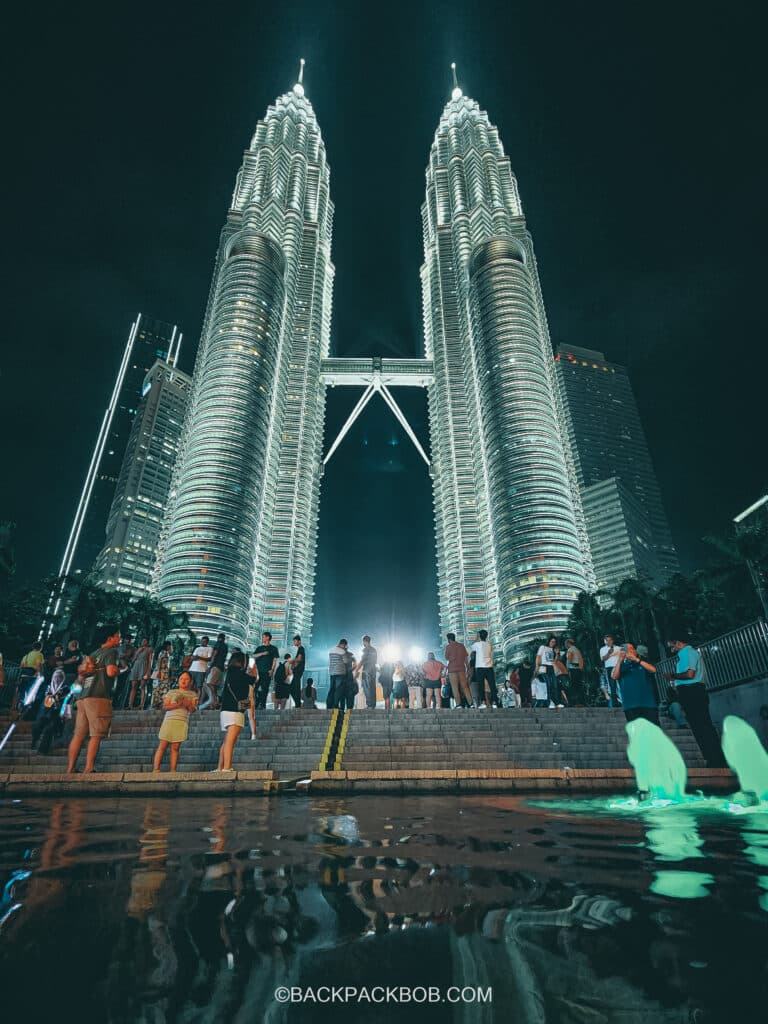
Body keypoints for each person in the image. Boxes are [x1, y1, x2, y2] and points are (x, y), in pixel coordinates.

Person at [664, 636, 727, 767]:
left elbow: (690, 674)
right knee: (702, 725)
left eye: (672, 646)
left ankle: (715, 759)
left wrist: (673, 676)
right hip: (694, 691)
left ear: (679, 642)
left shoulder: (686, 652)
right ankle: (714, 758)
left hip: (692, 691)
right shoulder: (690, 653)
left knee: (701, 726)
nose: (672, 649)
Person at [67, 626, 121, 773]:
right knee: (96, 734)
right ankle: (89, 767)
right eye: (117, 636)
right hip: (98, 696)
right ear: (110, 638)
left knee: (78, 735)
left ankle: (71, 768)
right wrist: (121, 669)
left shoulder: (93, 654)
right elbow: (111, 672)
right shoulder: (111, 652)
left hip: (83, 697)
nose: (119, 639)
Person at [215, 651, 253, 771]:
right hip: (235, 711)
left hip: (225, 710)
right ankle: (227, 768)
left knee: (226, 740)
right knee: (230, 741)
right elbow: (253, 680)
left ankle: (220, 767)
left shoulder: (229, 673)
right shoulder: (240, 674)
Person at [153, 671, 197, 771]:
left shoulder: (193, 694)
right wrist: (177, 705)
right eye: (181, 679)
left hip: (182, 722)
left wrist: (187, 704)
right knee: (162, 745)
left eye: (186, 679)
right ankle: (156, 769)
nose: (183, 681)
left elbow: (193, 709)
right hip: (169, 721)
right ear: (178, 680)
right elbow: (165, 707)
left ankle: (173, 770)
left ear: (190, 682)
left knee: (176, 747)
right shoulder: (171, 692)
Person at [612, 644, 659, 724]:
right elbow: (615, 676)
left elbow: (653, 670)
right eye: (625, 650)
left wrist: (637, 660)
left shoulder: (642, 662)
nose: (629, 651)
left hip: (648, 704)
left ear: (635, 651)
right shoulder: (620, 666)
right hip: (630, 706)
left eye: (631, 649)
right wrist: (620, 660)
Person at [31, 660, 70, 753]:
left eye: (59, 677)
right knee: (37, 726)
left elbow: (67, 702)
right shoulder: (47, 687)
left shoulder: (65, 689)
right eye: (55, 677)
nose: (57, 679)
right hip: (44, 712)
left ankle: (43, 750)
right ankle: (34, 740)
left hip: (56, 714)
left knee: (49, 729)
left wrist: (66, 715)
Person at [444, 632, 473, 707]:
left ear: (449, 639)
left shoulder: (448, 647)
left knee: (455, 687)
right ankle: (471, 703)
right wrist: (468, 668)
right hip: (461, 669)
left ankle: (458, 704)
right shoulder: (461, 646)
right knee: (465, 687)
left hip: (452, 669)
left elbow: (446, 657)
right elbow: (466, 658)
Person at [14, 641, 44, 713]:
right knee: (29, 691)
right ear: (40, 648)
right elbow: (38, 665)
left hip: (23, 674)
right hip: (32, 675)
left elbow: (21, 666)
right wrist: (39, 674)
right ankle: (22, 709)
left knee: (20, 691)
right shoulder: (39, 654)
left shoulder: (26, 655)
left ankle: (14, 706)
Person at [252, 632, 279, 710]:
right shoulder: (259, 648)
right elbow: (254, 656)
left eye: (263, 637)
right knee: (254, 688)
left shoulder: (273, 648)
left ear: (268, 638)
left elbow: (275, 660)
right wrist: (262, 653)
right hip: (257, 672)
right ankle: (256, 703)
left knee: (265, 689)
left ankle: (263, 704)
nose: (262, 638)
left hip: (267, 672)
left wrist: (272, 670)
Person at [201, 633, 227, 711]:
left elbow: (214, 654)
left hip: (216, 666)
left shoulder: (218, 644)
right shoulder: (225, 646)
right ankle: (215, 701)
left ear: (218, 638)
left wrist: (210, 666)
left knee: (209, 683)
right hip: (221, 668)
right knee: (214, 684)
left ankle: (215, 700)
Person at [471, 629, 496, 709]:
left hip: (480, 667)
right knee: (492, 686)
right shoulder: (489, 644)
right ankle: (494, 702)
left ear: (479, 636)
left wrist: (476, 638)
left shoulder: (477, 644)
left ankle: (483, 702)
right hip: (489, 667)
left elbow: (472, 647)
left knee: (481, 686)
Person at [128, 637, 154, 710]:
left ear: (148, 642)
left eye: (145, 640)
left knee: (142, 686)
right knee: (133, 686)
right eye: (142, 640)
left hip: (144, 668)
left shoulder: (149, 650)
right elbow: (133, 660)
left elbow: (150, 661)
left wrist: (148, 672)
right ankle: (130, 704)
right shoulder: (138, 649)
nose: (143, 642)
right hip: (136, 667)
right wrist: (137, 652)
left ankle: (141, 705)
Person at [535, 636, 561, 708]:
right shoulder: (543, 647)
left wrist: (557, 653)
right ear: (549, 641)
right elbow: (538, 657)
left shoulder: (553, 649)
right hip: (544, 667)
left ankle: (556, 702)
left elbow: (556, 661)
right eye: (552, 641)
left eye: (554, 642)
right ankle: (549, 703)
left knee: (555, 685)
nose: (553, 643)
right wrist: (537, 667)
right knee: (548, 685)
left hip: (551, 667)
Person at [328, 639, 352, 710]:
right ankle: (335, 705)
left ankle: (330, 705)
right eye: (344, 646)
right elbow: (346, 661)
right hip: (340, 673)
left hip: (332, 673)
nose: (344, 647)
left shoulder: (331, 650)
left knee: (332, 689)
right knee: (339, 690)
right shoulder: (342, 651)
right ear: (343, 644)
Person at [599, 635, 622, 707]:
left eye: (610, 640)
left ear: (612, 640)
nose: (608, 642)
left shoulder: (618, 648)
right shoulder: (603, 649)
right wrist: (609, 653)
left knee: (620, 684)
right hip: (609, 668)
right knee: (612, 685)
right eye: (607, 640)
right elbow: (603, 659)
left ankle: (623, 701)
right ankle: (615, 703)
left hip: (618, 667)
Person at [151, 641, 174, 710]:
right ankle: (158, 704)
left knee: (161, 688)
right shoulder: (164, 652)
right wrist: (158, 672)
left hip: (164, 673)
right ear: (168, 646)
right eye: (171, 646)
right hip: (162, 673)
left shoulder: (165, 653)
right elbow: (159, 661)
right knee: (161, 688)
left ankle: (159, 704)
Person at [358, 635, 378, 709]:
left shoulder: (365, 650)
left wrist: (356, 669)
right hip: (373, 671)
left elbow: (362, 661)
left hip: (366, 671)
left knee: (367, 688)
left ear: (364, 641)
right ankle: (373, 704)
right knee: (372, 688)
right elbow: (376, 661)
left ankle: (369, 705)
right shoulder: (374, 650)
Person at [564, 639, 585, 705]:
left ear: (568, 644)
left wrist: (569, 665)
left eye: (565, 644)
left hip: (573, 670)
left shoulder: (570, 650)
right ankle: (580, 702)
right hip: (578, 670)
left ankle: (573, 702)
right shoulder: (577, 650)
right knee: (579, 686)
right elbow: (581, 661)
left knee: (573, 686)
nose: (565, 645)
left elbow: (569, 660)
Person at [290, 635, 305, 708]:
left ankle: (298, 704)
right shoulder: (297, 650)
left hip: (298, 671)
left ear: (299, 641)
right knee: (292, 687)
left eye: (295, 641)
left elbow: (299, 659)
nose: (294, 642)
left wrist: (291, 661)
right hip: (295, 671)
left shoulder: (301, 649)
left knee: (296, 687)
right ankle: (297, 703)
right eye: (293, 641)